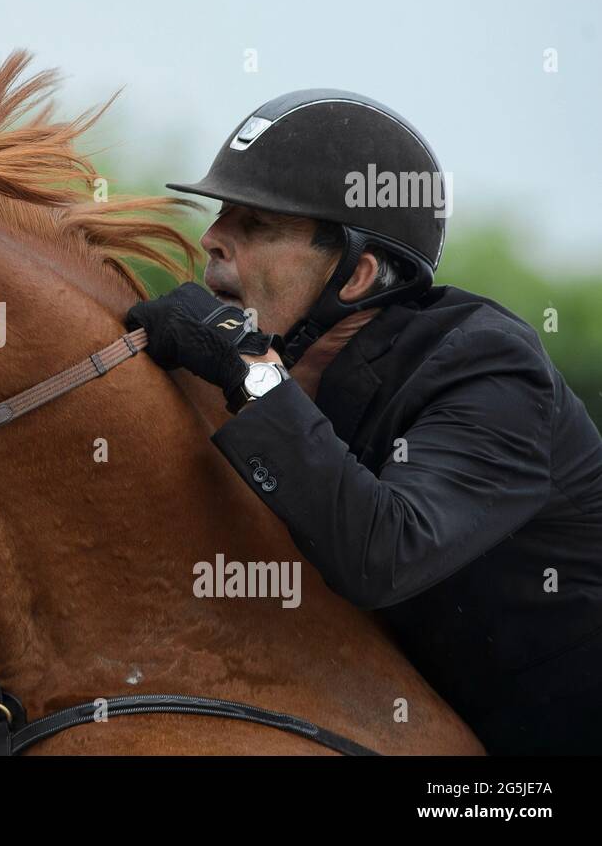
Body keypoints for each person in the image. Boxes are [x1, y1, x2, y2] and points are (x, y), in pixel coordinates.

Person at [125, 90, 602, 754]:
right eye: (221, 214)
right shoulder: (282, 376)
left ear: (358, 275)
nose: (212, 237)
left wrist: (249, 367)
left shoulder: (488, 368)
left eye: (257, 224)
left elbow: (384, 553)